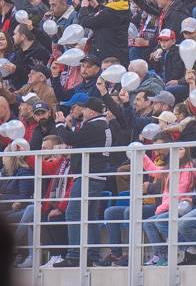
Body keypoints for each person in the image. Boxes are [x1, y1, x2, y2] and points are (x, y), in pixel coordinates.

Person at [53, 96, 112, 267]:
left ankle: (75, 255)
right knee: (89, 215)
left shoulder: (95, 125)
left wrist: (59, 124)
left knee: (73, 213)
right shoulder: (100, 125)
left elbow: (71, 140)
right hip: (94, 175)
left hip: (89, 175)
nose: (82, 112)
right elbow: (80, 139)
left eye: (85, 109)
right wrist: (69, 127)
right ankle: (90, 254)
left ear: (91, 112)